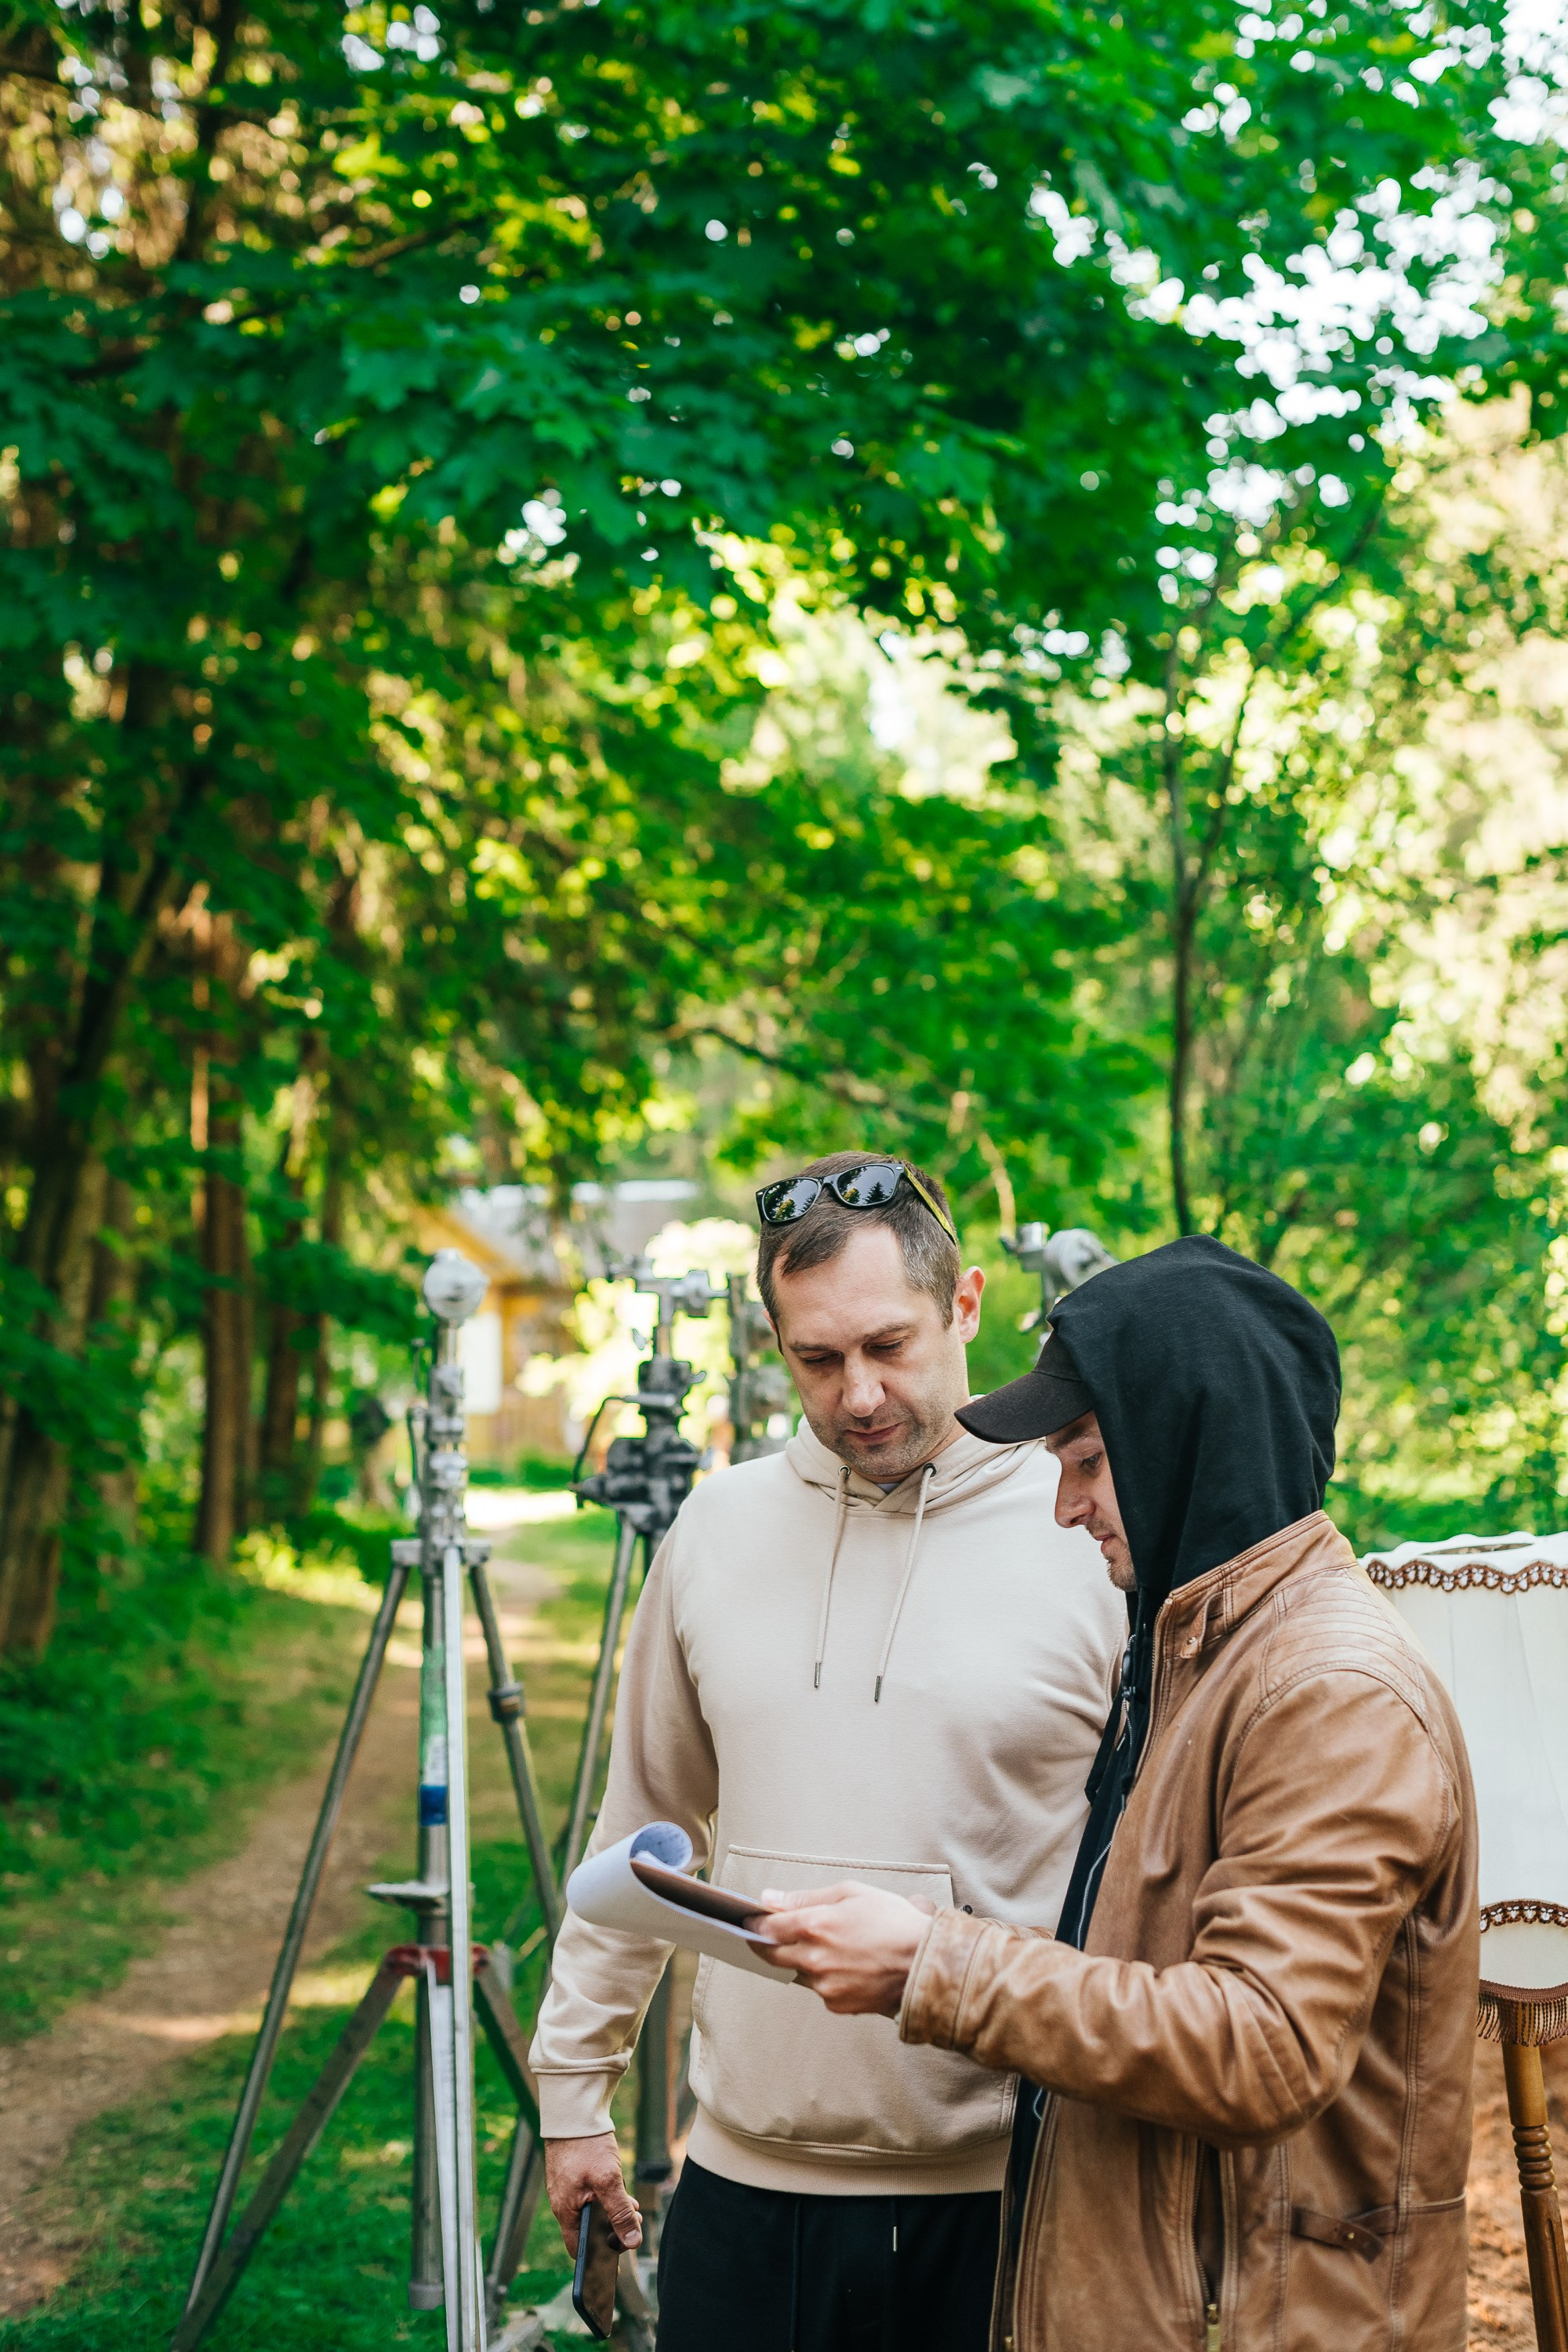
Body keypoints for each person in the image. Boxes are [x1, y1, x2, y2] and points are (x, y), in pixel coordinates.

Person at [760, 1234, 1479, 2352]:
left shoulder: (1328, 1692)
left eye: (1089, 1462)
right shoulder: (1193, 1650)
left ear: (1191, 1439)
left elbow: (1265, 2042)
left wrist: (931, 1964)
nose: (1065, 1507)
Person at [529, 1152, 1127, 2351]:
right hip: (744, 2195)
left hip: (1009, 2194)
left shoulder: (1085, 1520)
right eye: (817, 1359)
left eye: (888, 1346)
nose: (857, 1394)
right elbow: (639, 1828)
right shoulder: (716, 1529)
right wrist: (572, 2096)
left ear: (963, 1306)